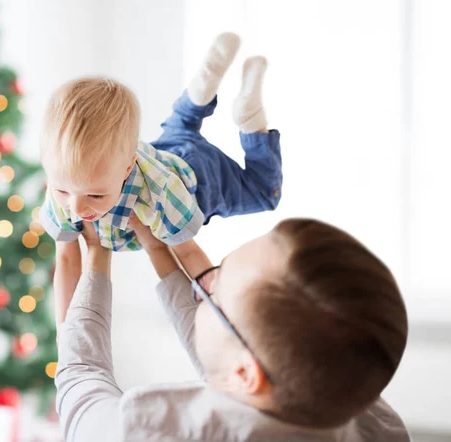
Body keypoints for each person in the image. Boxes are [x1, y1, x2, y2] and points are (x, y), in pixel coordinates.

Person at [54, 216, 410, 441]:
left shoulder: (151, 430)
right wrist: (159, 250)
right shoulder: (371, 418)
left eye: (214, 292)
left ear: (245, 372)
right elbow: (239, 349)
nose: (203, 286)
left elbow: (80, 378)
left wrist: (95, 253)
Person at [39, 32, 282, 324]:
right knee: (179, 127)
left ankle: (251, 120)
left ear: (127, 169)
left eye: (95, 195)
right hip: (165, 152)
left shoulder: (158, 198)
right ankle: (201, 87)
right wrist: (64, 334)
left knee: (263, 194)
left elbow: (189, 254)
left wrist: (219, 309)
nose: (76, 208)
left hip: (202, 181)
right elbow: (65, 258)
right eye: (62, 190)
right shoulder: (69, 179)